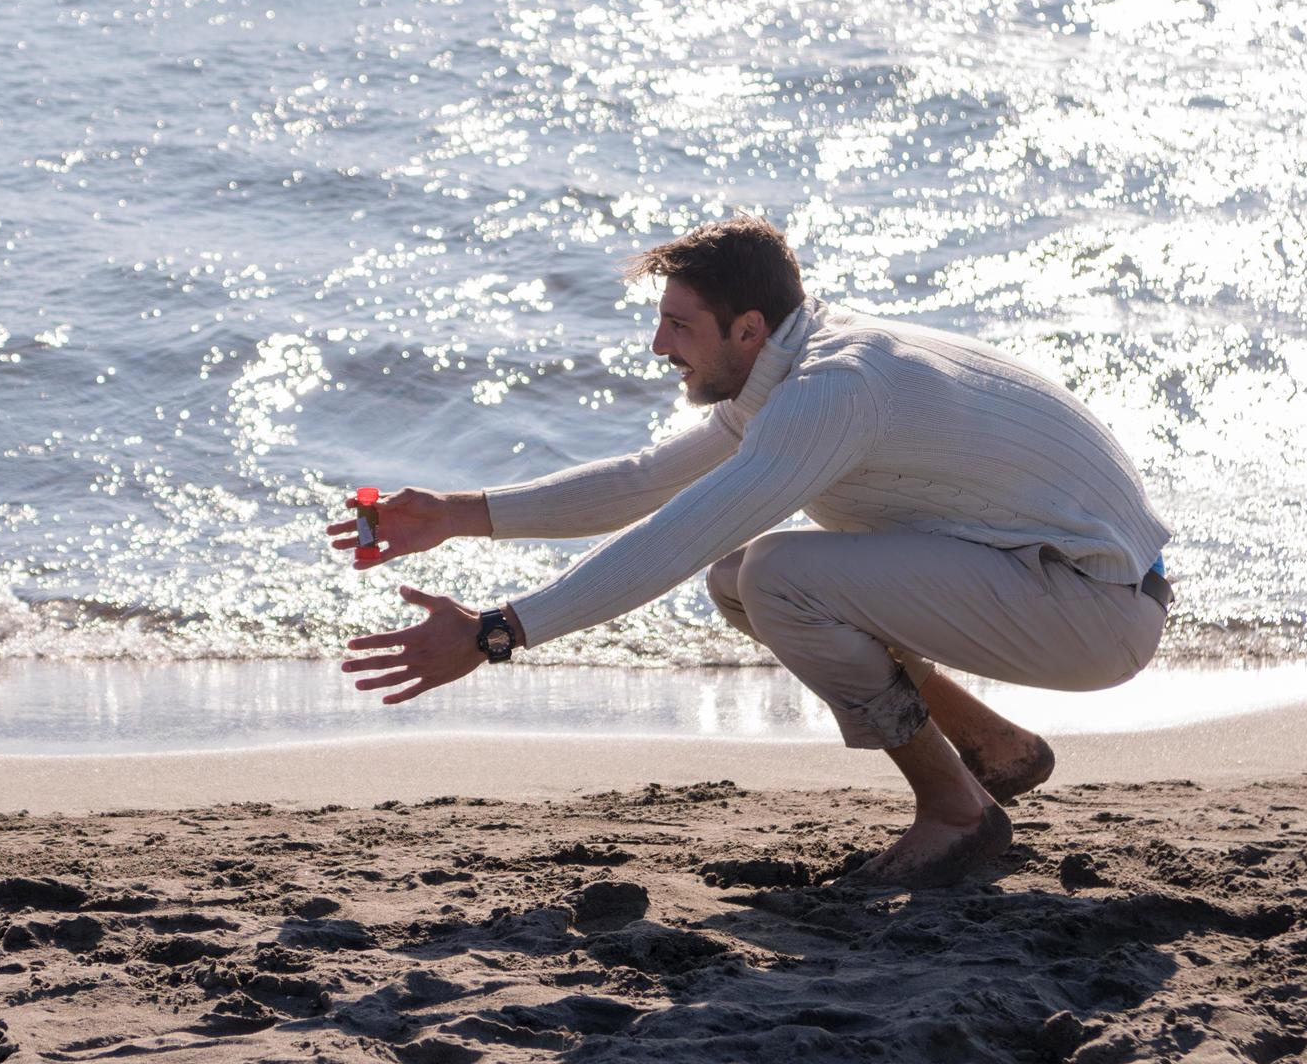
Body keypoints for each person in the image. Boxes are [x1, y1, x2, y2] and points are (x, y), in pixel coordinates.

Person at [334, 215, 1173, 888]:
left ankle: (956, 812)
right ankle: (996, 749)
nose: (659, 347)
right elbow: (644, 482)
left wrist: (494, 632)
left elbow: (670, 537)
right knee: (741, 579)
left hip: (1094, 610)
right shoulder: (801, 361)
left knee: (776, 574)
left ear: (746, 328)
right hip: (1067, 588)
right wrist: (456, 513)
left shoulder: (830, 394)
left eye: (677, 325)